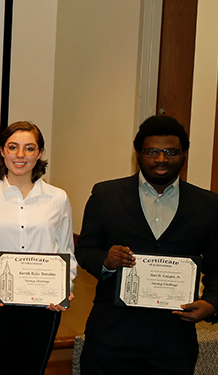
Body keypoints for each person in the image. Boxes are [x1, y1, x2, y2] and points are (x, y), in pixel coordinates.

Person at [75, 115, 218, 374]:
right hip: (111, 337)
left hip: (174, 341)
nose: (161, 159)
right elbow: (84, 250)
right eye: (151, 151)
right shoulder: (105, 196)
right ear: (138, 154)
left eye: (170, 152)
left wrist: (212, 303)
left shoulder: (209, 205)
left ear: (184, 154)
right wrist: (105, 261)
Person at [0, 121, 75, 375]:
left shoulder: (58, 198)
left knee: (33, 370)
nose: (20, 155)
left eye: (29, 148)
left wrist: (66, 287)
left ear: (40, 153)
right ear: (1, 150)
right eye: (13, 147)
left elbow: (66, 254)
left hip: (44, 298)